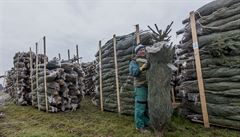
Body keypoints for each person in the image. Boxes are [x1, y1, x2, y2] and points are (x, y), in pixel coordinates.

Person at [133, 44, 150, 133]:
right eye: (141, 50)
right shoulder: (134, 61)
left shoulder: (147, 60)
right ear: (137, 52)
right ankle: (139, 126)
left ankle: (146, 123)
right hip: (140, 86)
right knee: (140, 106)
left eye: (144, 49)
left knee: (147, 106)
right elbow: (134, 72)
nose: (143, 51)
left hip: (148, 86)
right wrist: (143, 67)